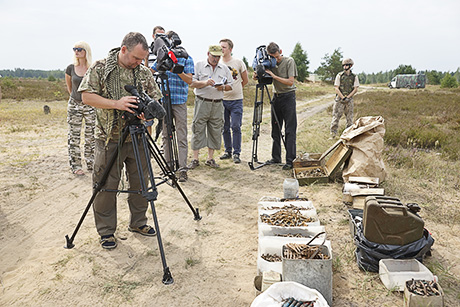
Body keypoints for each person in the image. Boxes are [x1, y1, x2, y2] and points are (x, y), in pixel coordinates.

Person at [79, 32, 163, 250]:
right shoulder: (100, 68)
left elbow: (156, 99)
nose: (138, 63)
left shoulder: (143, 72)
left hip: (138, 136)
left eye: (142, 59)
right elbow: (86, 96)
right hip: (109, 138)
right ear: (123, 49)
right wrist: (117, 103)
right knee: (106, 186)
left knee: (140, 182)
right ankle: (106, 231)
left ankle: (139, 223)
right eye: (135, 58)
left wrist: (148, 114)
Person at [152, 30, 194, 182]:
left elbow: (189, 80)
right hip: (165, 101)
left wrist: (175, 68)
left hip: (180, 101)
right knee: (165, 135)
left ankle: (183, 169)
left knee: (181, 135)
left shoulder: (186, 57)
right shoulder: (162, 56)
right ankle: (168, 167)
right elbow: (150, 72)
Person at [188, 45, 233, 169]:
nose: (216, 59)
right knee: (198, 128)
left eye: (218, 57)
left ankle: (210, 158)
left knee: (215, 130)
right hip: (202, 102)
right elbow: (192, 83)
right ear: (208, 54)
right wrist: (205, 83)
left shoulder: (224, 68)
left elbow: (230, 85)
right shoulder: (198, 65)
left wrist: (222, 87)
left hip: (218, 103)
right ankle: (195, 159)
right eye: (214, 56)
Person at [255, 42, 298, 170]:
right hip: (276, 97)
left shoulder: (289, 61)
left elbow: (290, 82)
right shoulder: (269, 62)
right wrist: (258, 73)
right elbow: (260, 78)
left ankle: (290, 160)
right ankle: (276, 157)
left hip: (288, 96)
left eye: (277, 56)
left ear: (280, 51)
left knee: (290, 130)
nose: (275, 59)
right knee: (275, 129)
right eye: (272, 57)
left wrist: (273, 75)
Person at [65, 41, 95, 176]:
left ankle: (91, 162)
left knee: (90, 136)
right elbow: (70, 88)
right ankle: (75, 165)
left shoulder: (92, 68)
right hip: (74, 105)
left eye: (79, 49)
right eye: (75, 49)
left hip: (90, 105)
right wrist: (76, 100)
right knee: (74, 136)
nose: (76, 51)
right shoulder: (70, 68)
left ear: (86, 52)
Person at [218, 38, 248, 164]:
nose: (221, 49)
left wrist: (236, 89)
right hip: (222, 100)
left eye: (224, 47)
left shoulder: (238, 62)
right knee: (224, 127)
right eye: (220, 47)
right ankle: (228, 151)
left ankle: (237, 153)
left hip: (236, 100)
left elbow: (245, 80)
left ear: (230, 49)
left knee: (235, 126)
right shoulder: (218, 63)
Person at [330, 58, 359, 138]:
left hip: (349, 100)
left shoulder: (354, 77)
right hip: (339, 99)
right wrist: (342, 98)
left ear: (351, 66)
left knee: (349, 119)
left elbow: (355, 89)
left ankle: (348, 135)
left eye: (347, 65)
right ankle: (333, 135)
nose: (345, 66)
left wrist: (348, 97)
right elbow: (336, 88)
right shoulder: (339, 76)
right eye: (344, 65)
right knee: (336, 117)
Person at [144, 25, 165, 135]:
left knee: (164, 120)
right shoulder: (147, 50)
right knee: (148, 120)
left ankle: (163, 146)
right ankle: (148, 144)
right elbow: (144, 72)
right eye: (158, 35)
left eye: (163, 35)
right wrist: (146, 58)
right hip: (150, 90)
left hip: (163, 89)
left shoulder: (166, 51)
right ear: (153, 36)